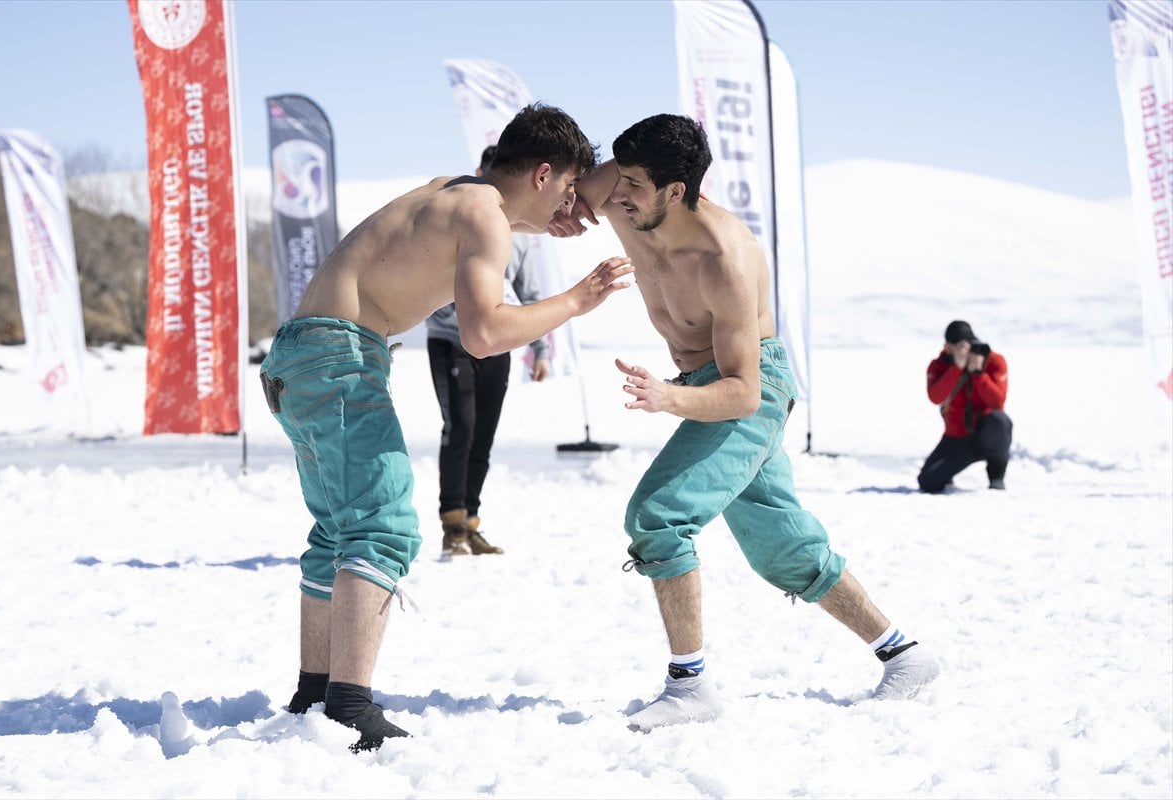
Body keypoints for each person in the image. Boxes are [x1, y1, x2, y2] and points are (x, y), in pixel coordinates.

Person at [259, 103, 633, 752]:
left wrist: (545, 219)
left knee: (338, 532)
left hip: (299, 357)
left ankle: (315, 692)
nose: (572, 203)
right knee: (381, 528)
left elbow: (498, 221)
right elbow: (483, 334)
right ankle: (347, 704)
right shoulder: (486, 218)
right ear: (543, 173)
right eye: (569, 188)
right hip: (339, 360)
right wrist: (576, 300)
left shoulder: (455, 192)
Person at [548, 114, 939, 732]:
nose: (615, 194)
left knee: (658, 517)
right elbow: (564, 200)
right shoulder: (625, 190)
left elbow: (743, 392)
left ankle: (690, 686)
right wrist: (555, 213)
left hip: (749, 387)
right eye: (617, 177)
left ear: (676, 190)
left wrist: (669, 398)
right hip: (706, 385)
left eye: (633, 185)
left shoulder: (724, 258)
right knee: (783, 549)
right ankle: (905, 656)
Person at [427, 145, 551, 558]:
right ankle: (452, 525)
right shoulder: (458, 220)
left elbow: (529, 291)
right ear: (480, 171)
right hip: (452, 341)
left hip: (498, 342)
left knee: (483, 434)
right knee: (460, 427)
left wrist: (541, 349)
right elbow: (427, 279)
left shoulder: (519, 235)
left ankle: (471, 523)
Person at [917, 320, 1012, 493]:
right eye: (958, 347)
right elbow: (936, 398)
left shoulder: (992, 360)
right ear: (948, 347)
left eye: (966, 345)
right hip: (957, 437)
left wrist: (978, 374)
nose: (964, 351)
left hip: (986, 433)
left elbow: (997, 402)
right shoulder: (939, 365)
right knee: (928, 482)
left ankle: (996, 476)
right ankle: (950, 470)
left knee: (1000, 421)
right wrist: (956, 368)